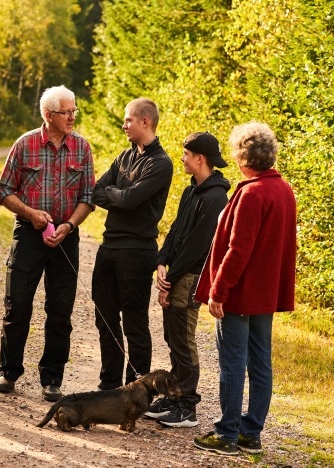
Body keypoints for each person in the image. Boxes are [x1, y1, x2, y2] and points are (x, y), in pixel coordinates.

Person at [191, 121, 296, 455]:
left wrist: (218, 291)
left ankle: (227, 435)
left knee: (233, 363)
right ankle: (251, 433)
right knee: (260, 361)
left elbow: (239, 249)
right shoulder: (283, 189)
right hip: (265, 292)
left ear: (241, 156)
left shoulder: (253, 192)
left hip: (240, 291)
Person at [0, 85, 95, 402]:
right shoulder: (24, 145)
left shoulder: (82, 148)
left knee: (60, 310)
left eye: (74, 111)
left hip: (66, 235)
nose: (72, 117)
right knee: (18, 304)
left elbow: (88, 198)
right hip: (29, 234)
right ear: (49, 115)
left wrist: (68, 225)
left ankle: (52, 378)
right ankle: (8, 373)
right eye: (67, 112)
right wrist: (30, 214)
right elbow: (3, 191)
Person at [145, 131, 230, 428]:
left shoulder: (217, 197)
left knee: (183, 339)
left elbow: (197, 246)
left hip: (191, 277)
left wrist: (171, 279)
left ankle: (187, 406)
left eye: (185, 154)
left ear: (200, 158)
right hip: (176, 273)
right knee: (173, 336)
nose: (181, 158)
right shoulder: (190, 191)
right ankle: (174, 395)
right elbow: (176, 232)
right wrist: (160, 261)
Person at [91, 97, 173, 390]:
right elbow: (95, 192)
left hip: (138, 251)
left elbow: (129, 200)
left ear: (144, 122)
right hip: (109, 247)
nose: (124, 125)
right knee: (105, 318)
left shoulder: (161, 163)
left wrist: (116, 196)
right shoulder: (123, 157)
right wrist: (119, 197)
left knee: (135, 323)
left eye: (128, 120)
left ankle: (135, 389)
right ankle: (110, 385)